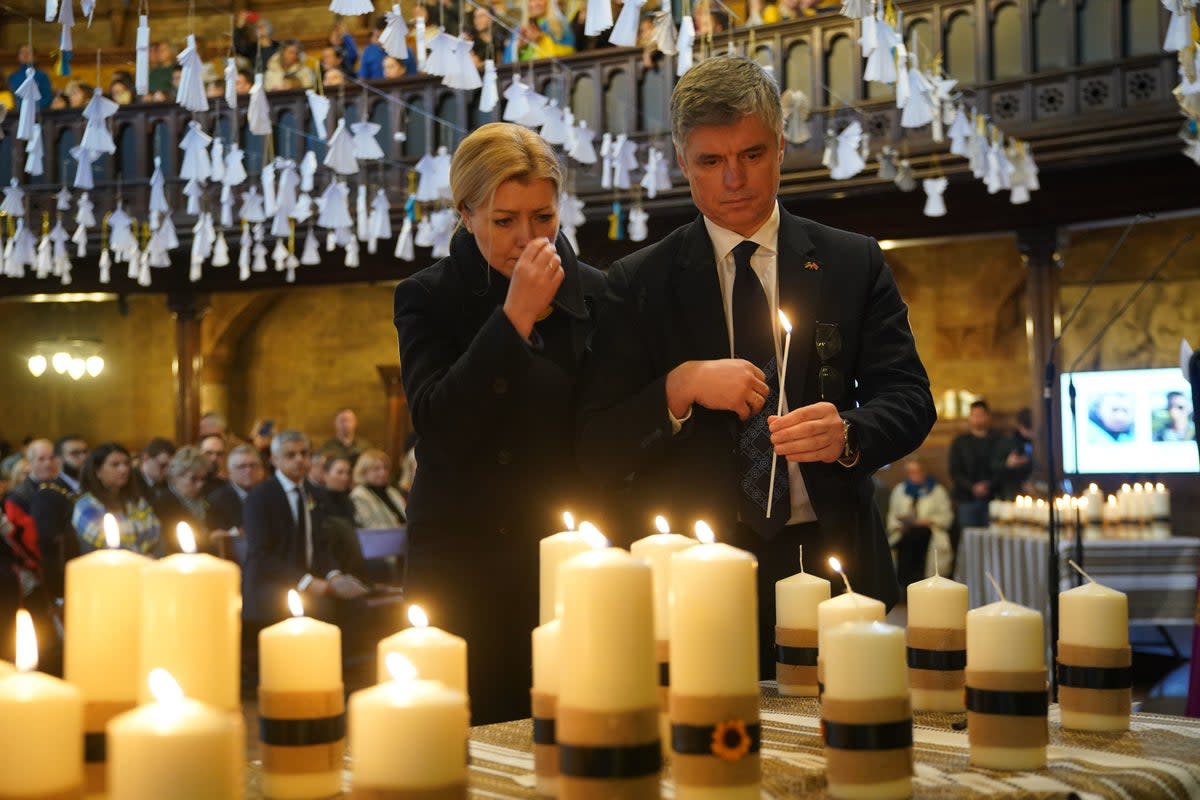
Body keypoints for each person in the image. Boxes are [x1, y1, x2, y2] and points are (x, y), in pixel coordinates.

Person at [576, 56, 936, 678]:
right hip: (698, 562)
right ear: (682, 161)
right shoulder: (637, 283)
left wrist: (849, 434)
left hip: (835, 553)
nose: (734, 179)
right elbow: (598, 439)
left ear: (780, 145)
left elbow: (909, 397)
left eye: (752, 154)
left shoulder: (852, 262)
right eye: (711, 161)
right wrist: (677, 388)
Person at [394, 121, 609, 724]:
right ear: (465, 214)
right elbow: (438, 424)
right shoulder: (427, 297)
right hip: (464, 557)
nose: (526, 238)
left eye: (542, 217)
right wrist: (512, 319)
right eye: (504, 220)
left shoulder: (596, 292)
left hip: (563, 545)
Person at [241, 431, 369, 630]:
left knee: (357, 603)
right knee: (322, 608)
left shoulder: (314, 493)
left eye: (304, 453)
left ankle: (344, 661)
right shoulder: (260, 497)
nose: (300, 459)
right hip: (271, 583)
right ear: (274, 459)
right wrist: (308, 582)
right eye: (291, 455)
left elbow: (321, 545)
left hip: (310, 578)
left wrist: (334, 576)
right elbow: (261, 556)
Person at [72, 443, 162, 556]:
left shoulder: (136, 501)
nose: (124, 469)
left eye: (126, 463)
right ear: (98, 472)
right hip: (105, 568)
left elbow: (157, 534)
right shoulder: (86, 505)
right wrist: (140, 558)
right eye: (115, 465)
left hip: (148, 566)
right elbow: (108, 544)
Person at [886, 458, 953, 586]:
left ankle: (921, 582)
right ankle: (905, 585)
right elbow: (892, 516)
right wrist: (900, 524)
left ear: (924, 472)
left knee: (919, 534)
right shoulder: (900, 490)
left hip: (929, 534)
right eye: (911, 472)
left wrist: (928, 521)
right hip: (905, 534)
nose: (914, 475)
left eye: (917, 471)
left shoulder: (936, 491)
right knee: (906, 543)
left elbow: (946, 516)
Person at [948, 400, 1003, 529]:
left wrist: (989, 484)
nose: (978, 418)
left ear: (987, 416)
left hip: (994, 498)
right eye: (974, 415)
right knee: (969, 540)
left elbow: (1001, 468)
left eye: (981, 414)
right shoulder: (960, 442)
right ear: (970, 417)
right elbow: (955, 471)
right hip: (966, 499)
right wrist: (972, 487)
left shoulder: (998, 441)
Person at [154, 446, 219, 553]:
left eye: (203, 479)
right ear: (177, 476)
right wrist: (208, 538)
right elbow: (172, 540)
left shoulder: (206, 497)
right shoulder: (163, 503)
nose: (200, 485)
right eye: (194, 479)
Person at [207, 444, 266, 533]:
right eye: (242, 466)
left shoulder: (271, 494)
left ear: (261, 469)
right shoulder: (217, 500)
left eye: (253, 465)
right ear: (230, 472)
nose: (248, 470)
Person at [350, 449, 406, 528]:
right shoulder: (359, 495)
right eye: (376, 469)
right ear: (363, 472)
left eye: (385, 468)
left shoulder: (392, 491)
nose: (383, 473)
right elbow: (371, 527)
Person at [995, 407, 1034, 500]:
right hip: (1012, 493)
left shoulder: (1040, 442)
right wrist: (1007, 464)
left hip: (1036, 490)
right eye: (1027, 428)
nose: (1031, 432)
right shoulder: (1007, 443)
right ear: (1019, 426)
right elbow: (993, 467)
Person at [136, 436, 177, 511]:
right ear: (146, 458)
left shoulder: (170, 483)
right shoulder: (131, 481)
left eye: (171, 467)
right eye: (163, 465)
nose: (167, 471)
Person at [7, 45, 52, 109]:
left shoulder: (42, 76)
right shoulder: (12, 77)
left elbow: (47, 97)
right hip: (16, 113)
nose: (25, 54)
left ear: (35, 57)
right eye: (22, 52)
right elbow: (10, 97)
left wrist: (32, 107)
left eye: (29, 52)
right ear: (18, 56)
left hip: (37, 112)